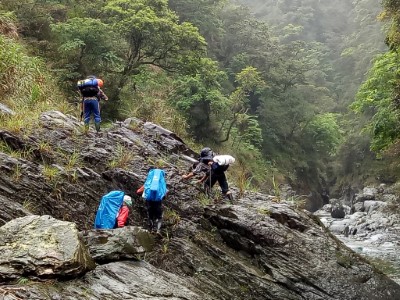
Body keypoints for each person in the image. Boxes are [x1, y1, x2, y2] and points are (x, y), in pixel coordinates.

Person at [137, 168, 167, 234]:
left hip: (149, 202)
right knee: (159, 216)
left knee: (150, 215)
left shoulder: (148, 183)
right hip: (157, 203)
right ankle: (158, 230)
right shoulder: (162, 184)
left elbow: (138, 191)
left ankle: (152, 229)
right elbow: (164, 195)